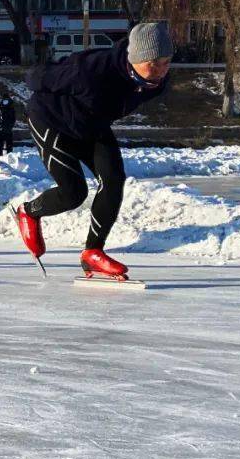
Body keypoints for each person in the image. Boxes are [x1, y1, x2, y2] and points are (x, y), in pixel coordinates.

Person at [12, 21, 172, 280]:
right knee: (73, 193)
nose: (161, 71)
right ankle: (28, 212)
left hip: (92, 124)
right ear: (135, 59)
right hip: (52, 119)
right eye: (154, 64)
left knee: (114, 180)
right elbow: (36, 77)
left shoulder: (157, 82)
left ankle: (93, 253)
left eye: (166, 62)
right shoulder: (90, 70)